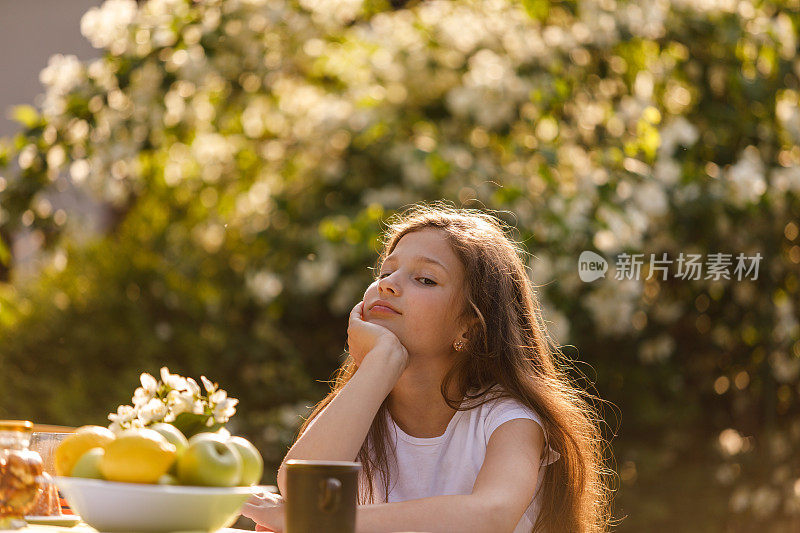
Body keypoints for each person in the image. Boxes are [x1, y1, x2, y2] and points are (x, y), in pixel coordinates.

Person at [241, 203, 616, 532]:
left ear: (469, 324)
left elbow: (489, 516)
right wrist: (377, 367)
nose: (388, 285)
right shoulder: (363, 405)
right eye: (385, 272)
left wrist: (324, 521)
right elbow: (301, 490)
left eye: (424, 279)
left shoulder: (508, 421)